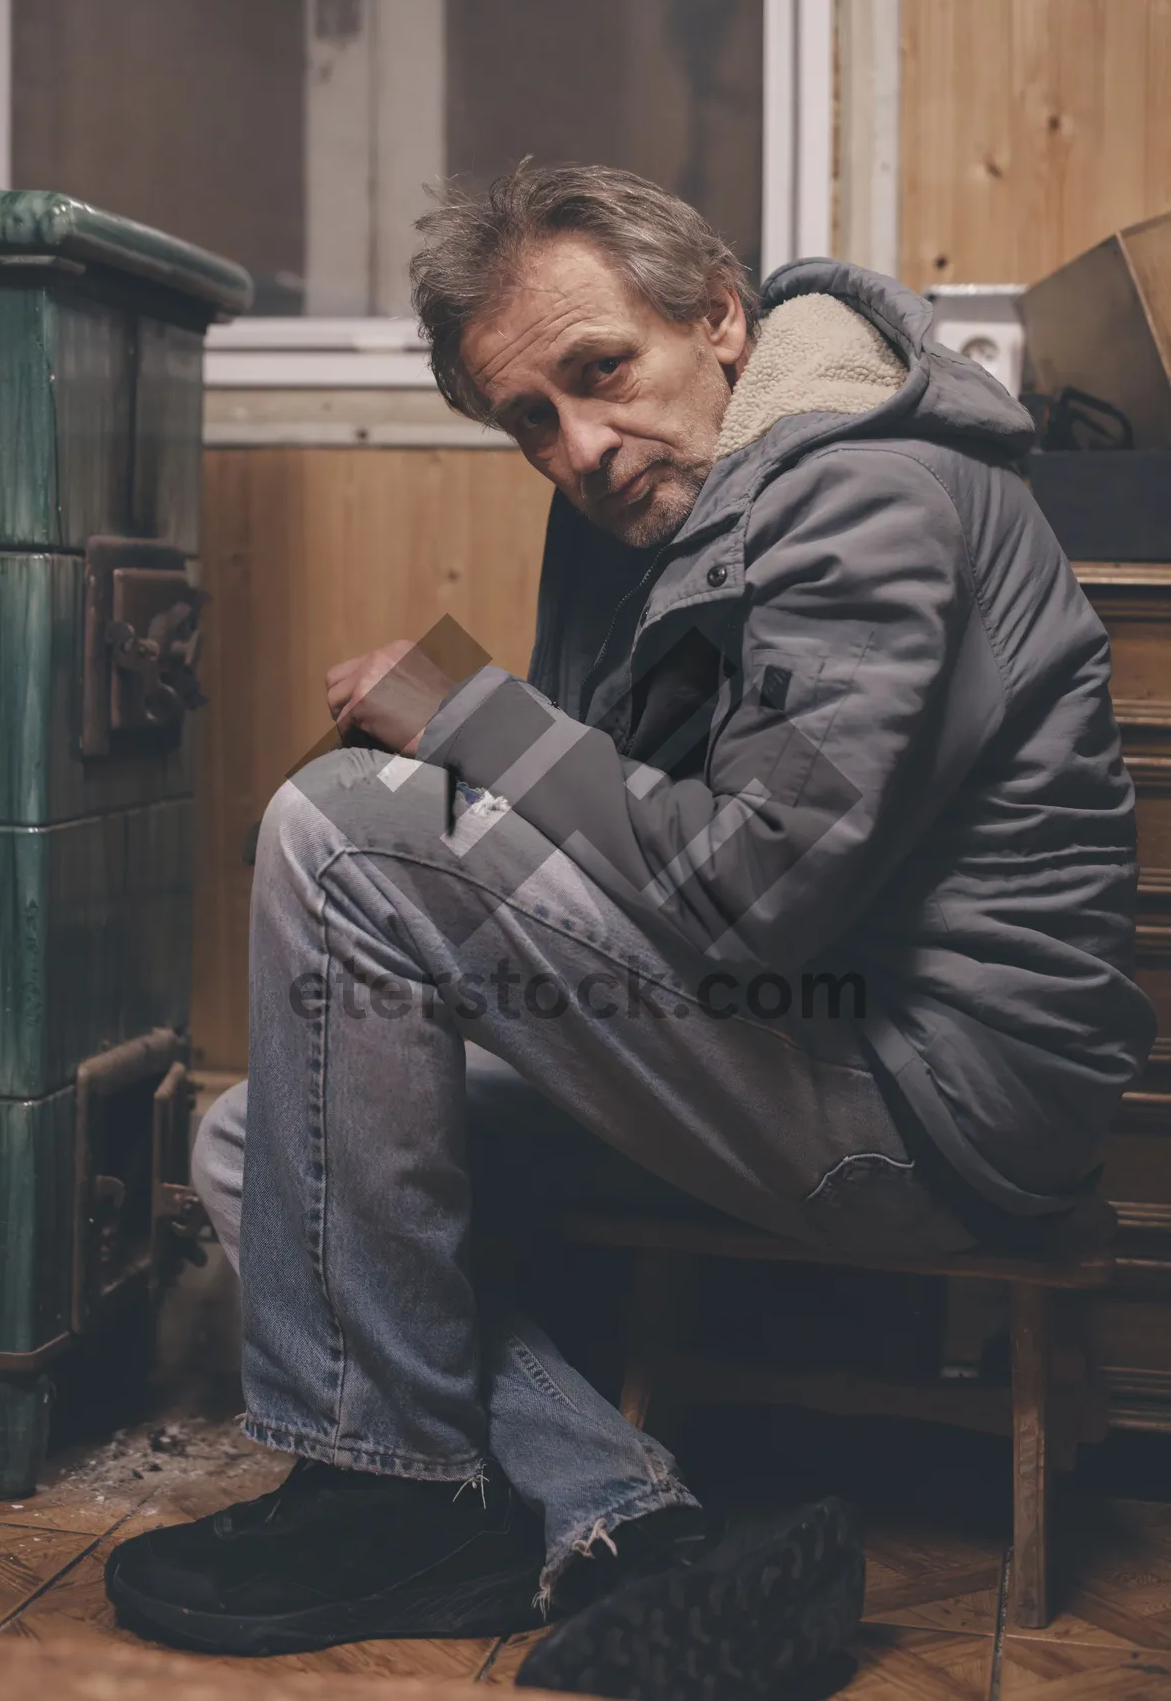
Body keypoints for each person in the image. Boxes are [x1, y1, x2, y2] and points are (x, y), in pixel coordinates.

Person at [105, 164, 1153, 1695]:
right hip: (803, 1043)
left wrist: (461, 723)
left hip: (933, 1109)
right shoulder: (649, 507)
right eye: (530, 418)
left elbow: (754, 893)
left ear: (721, 319)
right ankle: (623, 1523)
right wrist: (475, 757)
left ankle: (387, 1489)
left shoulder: (865, 496)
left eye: (602, 373)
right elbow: (600, 834)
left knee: (342, 831)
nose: (580, 446)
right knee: (263, 1139)